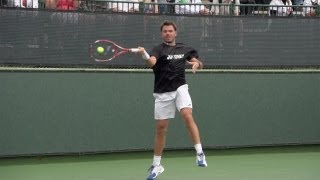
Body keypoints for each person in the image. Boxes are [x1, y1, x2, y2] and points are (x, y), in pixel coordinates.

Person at [137, 20, 207, 180]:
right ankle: (156, 165)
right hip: (162, 92)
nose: (167, 33)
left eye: (170, 31)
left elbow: (198, 62)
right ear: (162, 34)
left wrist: (197, 64)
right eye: (165, 31)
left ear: (175, 33)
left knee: (187, 115)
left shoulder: (185, 49)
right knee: (161, 129)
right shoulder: (158, 49)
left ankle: (200, 153)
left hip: (180, 87)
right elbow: (151, 63)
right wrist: (144, 54)